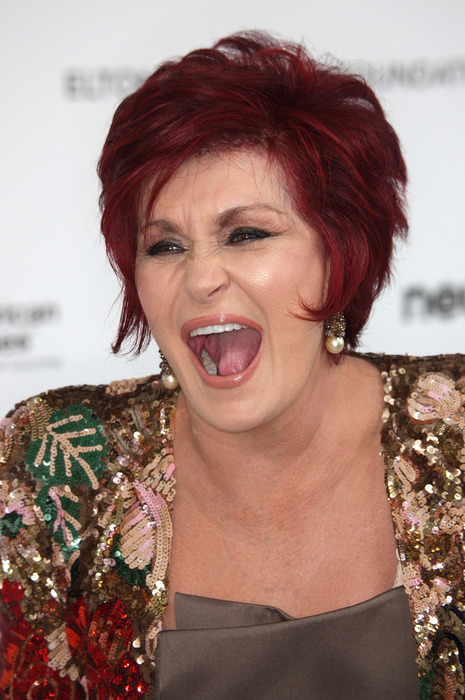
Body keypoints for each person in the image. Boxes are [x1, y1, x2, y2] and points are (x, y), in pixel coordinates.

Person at [0, 31, 464, 700]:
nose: (200, 277)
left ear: (340, 253)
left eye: (246, 234)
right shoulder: (60, 460)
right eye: (165, 246)